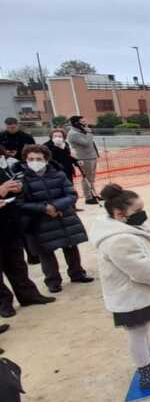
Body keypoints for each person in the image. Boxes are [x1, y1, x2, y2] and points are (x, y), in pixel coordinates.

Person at [91, 183, 150, 390]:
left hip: (139, 294)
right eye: (138, 210)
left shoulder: (131, 228)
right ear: (119, 214)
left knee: (144, 330)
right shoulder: (119, 240)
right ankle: (146, 372)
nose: (142, 214)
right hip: (131, 297)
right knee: (137, 333)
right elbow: (143, 270)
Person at [19, 144, 92, 293]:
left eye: (39, 159)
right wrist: (44, 208)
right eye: (31, 159)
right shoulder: (21, 179)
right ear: (25, 159)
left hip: (63, 216)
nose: (35, 162)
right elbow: (20, 203)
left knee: (71, 246)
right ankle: (53, 281)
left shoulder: (58, 174)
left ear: (46, 159)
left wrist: (56, 207)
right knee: (46, 252)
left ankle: (77, 273)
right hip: (39, 220)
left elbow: (71, 194)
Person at [0, 156, 55, 318]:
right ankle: (3, 302)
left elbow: (10, 188)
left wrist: (17, 189)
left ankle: (28, 295)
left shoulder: (3, 167)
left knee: (17, 263)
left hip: (8, 223)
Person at [65, 116, 101, 204]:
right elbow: (86, 143)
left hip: (91, 156)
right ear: (76, 123)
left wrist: (87, 131)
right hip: (84, 158)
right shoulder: (73, 133)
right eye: (83, 122)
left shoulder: (82, 131)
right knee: (87, 178)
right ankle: (88, 197)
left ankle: (94, 195)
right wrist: (89, 132)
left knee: (91, 178)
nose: (85, 123)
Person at [43, 128, 77, 195]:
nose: (57, 138)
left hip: (67, 170)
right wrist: (56, 147)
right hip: (54, 171)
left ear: (63, 137)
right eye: (55, 136)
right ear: (51, 137)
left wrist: (76, 161)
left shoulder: (65, 144)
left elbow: (69, 155)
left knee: (69, 187)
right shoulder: (46, 145)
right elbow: (48, 158)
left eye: (60, 136)